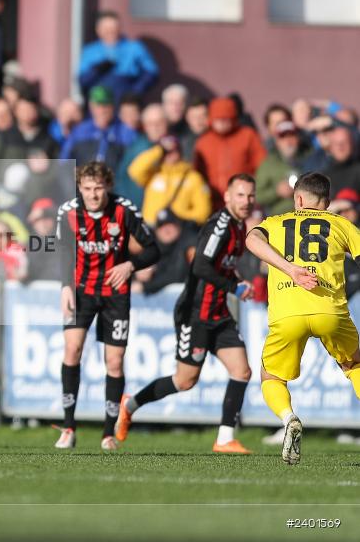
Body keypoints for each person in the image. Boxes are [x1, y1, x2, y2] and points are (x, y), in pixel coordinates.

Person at [116, 174, 259, 454]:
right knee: (184, 381)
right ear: (228, 197)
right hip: (196, 314)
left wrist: (236, 277)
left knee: (241, 371)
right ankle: (130, 404)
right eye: (240, 195)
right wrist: (234, 287)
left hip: (219, 313)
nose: (246, 201)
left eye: (250, 196)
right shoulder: (220, 226)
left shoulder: (240, 227)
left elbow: (220, 265)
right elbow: (201, 267)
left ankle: (224, 438)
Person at [245, 172, 360, 465]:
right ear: (328, 202)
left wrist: (289, 268)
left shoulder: (274, 222)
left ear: (297, 198)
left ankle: (288, 419)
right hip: (330, 312)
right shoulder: (342, 224)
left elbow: (251, 240)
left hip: (287, 314)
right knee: (355, 363)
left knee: (271, 375)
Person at [55, 161, 159, 451]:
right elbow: (63, 251)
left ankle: (107, 433)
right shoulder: (68, 212)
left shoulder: (124, 210)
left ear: (108, 187)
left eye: (98, 188)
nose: (93, 194)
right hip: (80, 291)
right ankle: (68, 427)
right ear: (79, 188)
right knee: (72, 349)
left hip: (115, 294)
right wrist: (64, 286)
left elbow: (153, 249)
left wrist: (130, 264)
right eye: (87, 188)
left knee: (114, 361)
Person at [194, 97, 266, 211]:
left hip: (243, 201)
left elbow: (262, 166)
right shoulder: (203, 142)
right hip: (213, 203)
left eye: (225, 119)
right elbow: (198, 174)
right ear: (211, 120)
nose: (222, 123)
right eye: (218, 119)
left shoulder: (247, 136)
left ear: (233, 118)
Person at [127, 134, 211, 227]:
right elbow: (135, 170)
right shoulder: (153, 174)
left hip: (179, 231)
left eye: (173, 150)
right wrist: (159, 150)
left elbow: (203, 211)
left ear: (180, 151)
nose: (169, 154)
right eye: (166, 152)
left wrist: (179, 218)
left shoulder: (193, 178)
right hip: (152, 229)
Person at [77, 10, 158, 102]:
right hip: (99, 100)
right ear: (98, 30)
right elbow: (82, 80)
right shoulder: (90, 51)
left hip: (126, 99)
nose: (110, 31)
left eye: (114, 28)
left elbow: (151, 73)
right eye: (106, 28)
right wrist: (97, 70)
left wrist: (136, 90)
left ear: (119, 28)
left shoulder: (134, 48)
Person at [61, 85, 137, 173]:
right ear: (91, 107)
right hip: (84, 184)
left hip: (114, 184)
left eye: (106, 106)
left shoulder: (125, 133)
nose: (102, 110)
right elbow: (65, 162)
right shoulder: (80, 132)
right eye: (98, 106)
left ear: (113, 107)